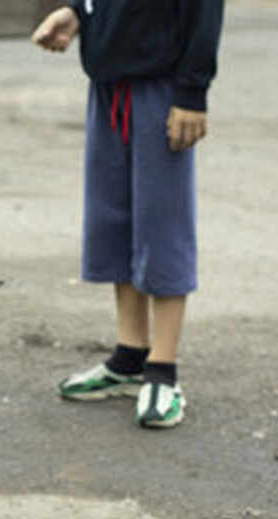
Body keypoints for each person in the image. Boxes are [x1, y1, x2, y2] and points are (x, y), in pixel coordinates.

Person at [32, 0, 224, 428]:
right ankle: (130, 355)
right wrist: (76, 13)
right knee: (114, 219)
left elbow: (204, 10)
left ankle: (163, 369)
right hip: (108, 85)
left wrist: (193, 92)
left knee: (162, 223)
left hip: (162, 88)